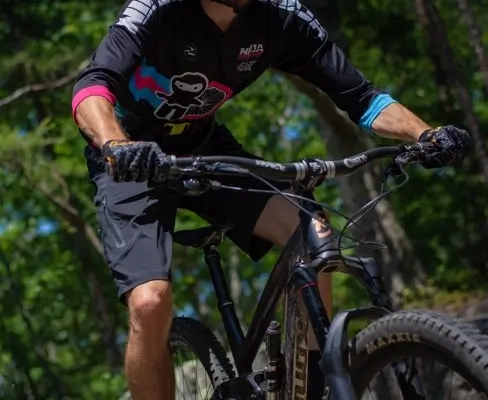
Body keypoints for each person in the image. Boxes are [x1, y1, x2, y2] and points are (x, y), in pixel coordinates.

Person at [71, 0, 471, 398]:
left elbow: (362, 97)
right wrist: (115, 144)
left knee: (313, 233)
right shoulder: (156, 9)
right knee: (150, 303)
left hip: (204, 148)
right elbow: (92, 87)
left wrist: (426, 134)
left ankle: (308, 388)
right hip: (130, 157)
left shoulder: (282, 16)